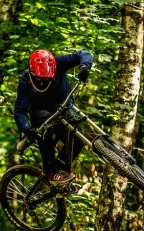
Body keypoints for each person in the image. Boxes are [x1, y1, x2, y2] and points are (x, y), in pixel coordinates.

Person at [14, 49, 93, 185]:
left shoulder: (58, 63)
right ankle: (51, 171)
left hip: (64, 108)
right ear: (31, 72)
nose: (42, 82)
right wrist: (27, 129)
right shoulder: (25, 80)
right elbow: (20, 111)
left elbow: (84, 54)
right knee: (43, 130)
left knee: (77, 139)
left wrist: (84, 67)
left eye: (46, 78)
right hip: (41, 112)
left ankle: (60, 172)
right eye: (39, 78)